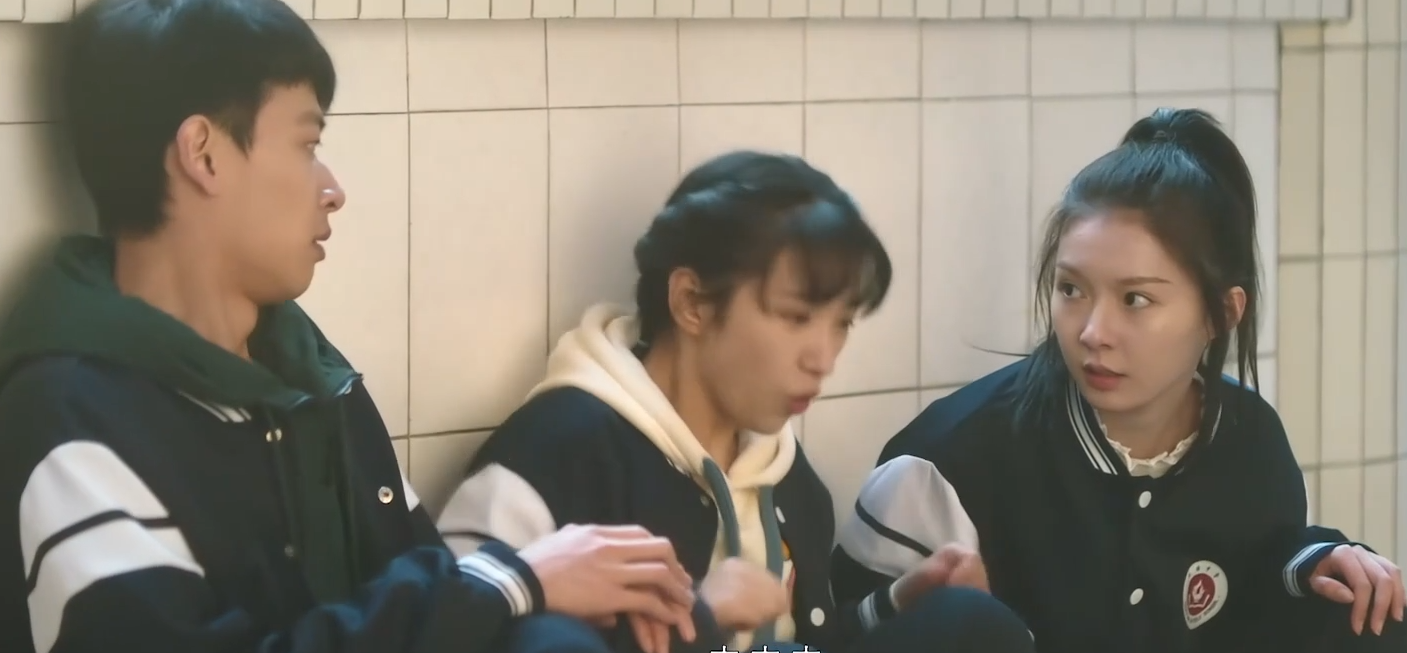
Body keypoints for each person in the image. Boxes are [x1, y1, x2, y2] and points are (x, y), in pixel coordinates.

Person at [0, 0, 699, 652]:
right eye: (307, 145)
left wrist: (543, 591)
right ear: (203, 154)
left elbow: (435, 609)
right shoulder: (70, 417)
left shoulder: (309, 376)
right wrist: (512, 579)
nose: (332, 189)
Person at [830, 107, 1407, 653]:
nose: (1092, 332)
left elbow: (1254, 585)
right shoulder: (948, 463)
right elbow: (825, 639)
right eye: (1072, 290)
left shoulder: (1249, 438)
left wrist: (1312, 562)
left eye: (1135, 299)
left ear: (1222, 314)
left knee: (1370, 610)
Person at [435, 150, 1039, 653]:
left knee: (970, 623)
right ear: (692, 303)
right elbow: (458, 626)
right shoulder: (559, 450)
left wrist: (898, 605)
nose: (823, 357)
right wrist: (701, 617)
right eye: (796, 318)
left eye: (841, 324)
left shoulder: (788, 478)